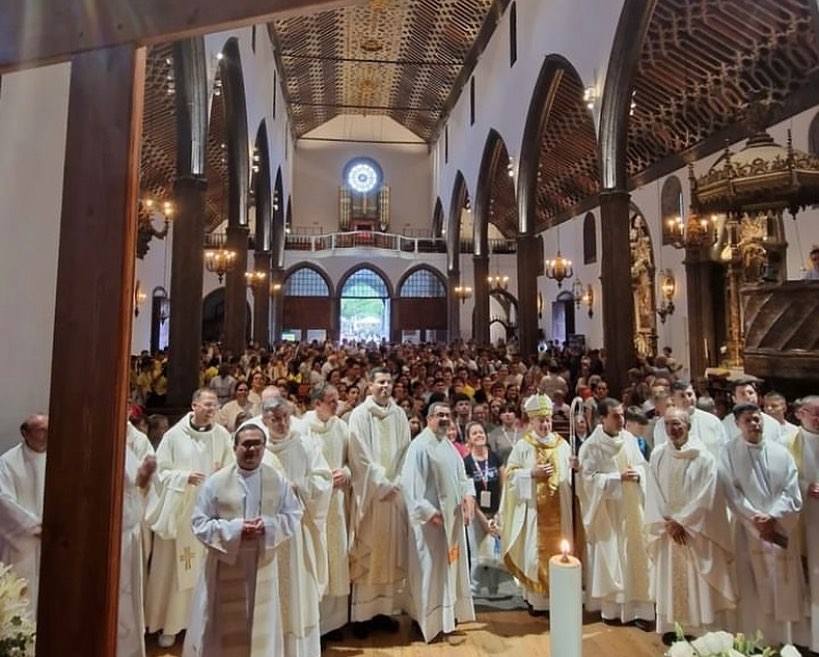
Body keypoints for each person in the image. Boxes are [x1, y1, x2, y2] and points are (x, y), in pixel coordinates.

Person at [182, 420, 302, 657]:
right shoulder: (216, 482)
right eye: (246, 444)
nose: (252, 450)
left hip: (262, 562)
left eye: (258, 445)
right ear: (235, 447)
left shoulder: (276, 480)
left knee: (260, 626)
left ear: (264, 448)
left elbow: (293, 514)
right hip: (226, 563)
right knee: (221, 628)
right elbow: (198, 522)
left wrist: (267, 526)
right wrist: (236, 530)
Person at [145, 388, 234, 649]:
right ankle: (171, 625)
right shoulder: (174, 436)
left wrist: (221, 477)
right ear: (194, 405)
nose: (211, 410)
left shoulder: (221, 436)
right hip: (180, 514)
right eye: (207, 405)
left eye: (215, 406)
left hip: (208, 516)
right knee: (174, 573)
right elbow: (160, 473)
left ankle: (202, 624)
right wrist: (183, 478)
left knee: (206, 574)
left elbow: (231, 469)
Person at [645, 408, 736, 644]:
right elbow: (653, 492)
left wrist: (682, 522)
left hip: (696, 532)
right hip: (668, 533)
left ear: (688, 426)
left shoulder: (704, 458)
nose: (672, 430)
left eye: (677, 424)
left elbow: (708, 496)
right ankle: (673, 626)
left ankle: (700, 630)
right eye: (668, 425)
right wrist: (668, 523)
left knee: (697, 580)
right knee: (670, 580)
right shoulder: (658, 455)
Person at [719, 402, 804, 646]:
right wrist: (756, 519)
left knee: (783, 585)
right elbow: (731, 492)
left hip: (778, 528)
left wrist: (774, 516)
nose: (755, 424)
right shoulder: (728, 453)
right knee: (752, 586)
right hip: (748, 530)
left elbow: (791, 488)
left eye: (757, 419)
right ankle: (754, 639)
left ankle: (785, 640)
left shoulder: (780, 452)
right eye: (748, 421)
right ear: (737, 425)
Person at [261, 397, 333, 657]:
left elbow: (323, 478)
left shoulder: (304, 444)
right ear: (264, 419)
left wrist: (299, 488)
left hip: (297, 532)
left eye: (285, 417)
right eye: (275, 419)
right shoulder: (258, 447)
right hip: (267, 534)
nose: (281, 423)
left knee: (297, 592)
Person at [401, 402, 476, 642]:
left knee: (448, 571)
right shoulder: (420, 446)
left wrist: (467, 497)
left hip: (451, 522)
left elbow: (462, 477)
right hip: (431, 525)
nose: (445, 419)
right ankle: (424, 621)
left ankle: (446, 617)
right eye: (440, 415)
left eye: (447, 415)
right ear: (429, 418)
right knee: (428, 573)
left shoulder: (449, 446)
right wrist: (429, 512)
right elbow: (410, 486)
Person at [577, 398, 654, 627]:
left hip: (631, 508)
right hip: (607, 512)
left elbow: (642, 466)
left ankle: (639, 609)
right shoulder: (591, 446)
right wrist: (616, 478)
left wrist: (637, 473)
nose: (621, 420)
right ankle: (612, 610)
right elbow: (588, 481)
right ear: (603, 418)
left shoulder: (629, 439)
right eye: (615, 416)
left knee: (635, 557)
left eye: (622, 415)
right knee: (612, 559)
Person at [346, 367, 411, 637]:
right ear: (369, 385)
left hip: (393, 496)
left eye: (388, 382)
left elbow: (407, 449)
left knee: (389, 551)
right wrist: (382, 482)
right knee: (369, 549)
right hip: (371, 496)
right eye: (380, 382)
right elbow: (358, 454)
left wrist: (396, 481)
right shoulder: (359, 415)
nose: (385, 386)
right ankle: (362, 616)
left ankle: (384, 611)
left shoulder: (399, 414)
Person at [500, 394, 573, 615]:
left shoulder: (562, 445)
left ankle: (561, 598)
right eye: (540, 420)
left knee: (563, 551)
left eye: (548, 420)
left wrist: (575, 470)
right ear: (531, 422)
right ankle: (537, 601)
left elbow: (569, 475)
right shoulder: (523, 446)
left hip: (559, 507)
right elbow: (510, 475)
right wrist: (531, 473)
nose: (545, 424)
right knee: (534, 556)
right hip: (533, 511)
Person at [300, 383, 352, 640]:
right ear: (317, 403)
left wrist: (346, 473)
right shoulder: (302, 428)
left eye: (337, 400)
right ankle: (314, 624)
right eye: (331, 401)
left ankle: (335, 623)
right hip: (312, 506)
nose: (336, 404)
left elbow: (351, 462)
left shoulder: (341, 427)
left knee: (336, 558)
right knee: (316, 559)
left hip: (337, 503)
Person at [0, 414, 47, 607]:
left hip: (54, 542)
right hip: (22, 545)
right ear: (25, 433)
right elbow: (3, 500)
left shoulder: (62, 459)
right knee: (22, 598)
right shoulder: (8, 462)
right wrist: (34, 528)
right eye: (41, 430)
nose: (46, 435)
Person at [118, 438, 157, 657]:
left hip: (129, 532)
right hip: (111, 535)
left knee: (129, 596)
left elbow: (136, 487)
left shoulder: (124, 447)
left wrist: (144, 475)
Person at [788, 395, 819, 653]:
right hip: (801, 520)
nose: (818, 418)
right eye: (813, 413)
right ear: (800, 414)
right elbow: (780, 479)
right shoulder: (789, 441)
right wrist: (806, 487)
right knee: (805, 577)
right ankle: (805, 638)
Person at [462, 421, 504, 598]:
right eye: (474, 433)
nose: (479, 435)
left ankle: (494, 588)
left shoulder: (495, 457)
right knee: (477, 555)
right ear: (468, 439)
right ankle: (474, 590)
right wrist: (482, 519)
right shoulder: (466, 462)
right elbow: (470, 494)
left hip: (496, 512)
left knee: (496, 551)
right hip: (476, 515)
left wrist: (500, 512)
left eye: (481, 432)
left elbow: (504, 484)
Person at [653, 381, 727, 460]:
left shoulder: (712, 421)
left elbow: (724, 451)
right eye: (682, 396)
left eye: (690, 394)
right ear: (673, 400)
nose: (688, 399)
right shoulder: (662, 425)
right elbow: (660, 455)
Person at [722, 379, 782, 444]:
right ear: (734, 399)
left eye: (751, 393)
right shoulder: (726, 424)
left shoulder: (772, 424)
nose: (748, 397)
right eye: (743, 394)